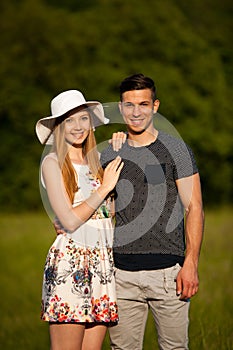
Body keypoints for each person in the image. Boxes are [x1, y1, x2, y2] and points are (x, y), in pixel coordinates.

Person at [100, 73, 204, 350]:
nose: (136, 112)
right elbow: (101, 208)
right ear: (121, 108)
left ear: (155, 106)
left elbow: (194, 207)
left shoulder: (176, 150)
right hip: (120, 273)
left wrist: (190, 263)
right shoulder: (109, 154)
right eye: (130, 105)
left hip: (169, 274)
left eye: (143, 104)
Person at [35, 89, 124, 350]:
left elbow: (107, 216)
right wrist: (104, 188)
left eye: (83, 118)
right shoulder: (53, 163)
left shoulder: (96, 164)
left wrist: (122, 149)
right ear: (59, 127)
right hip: (71, 266)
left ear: (91, 123)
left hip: (102, 267)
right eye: (69, 120)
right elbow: (70, 222)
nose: (78, 126)